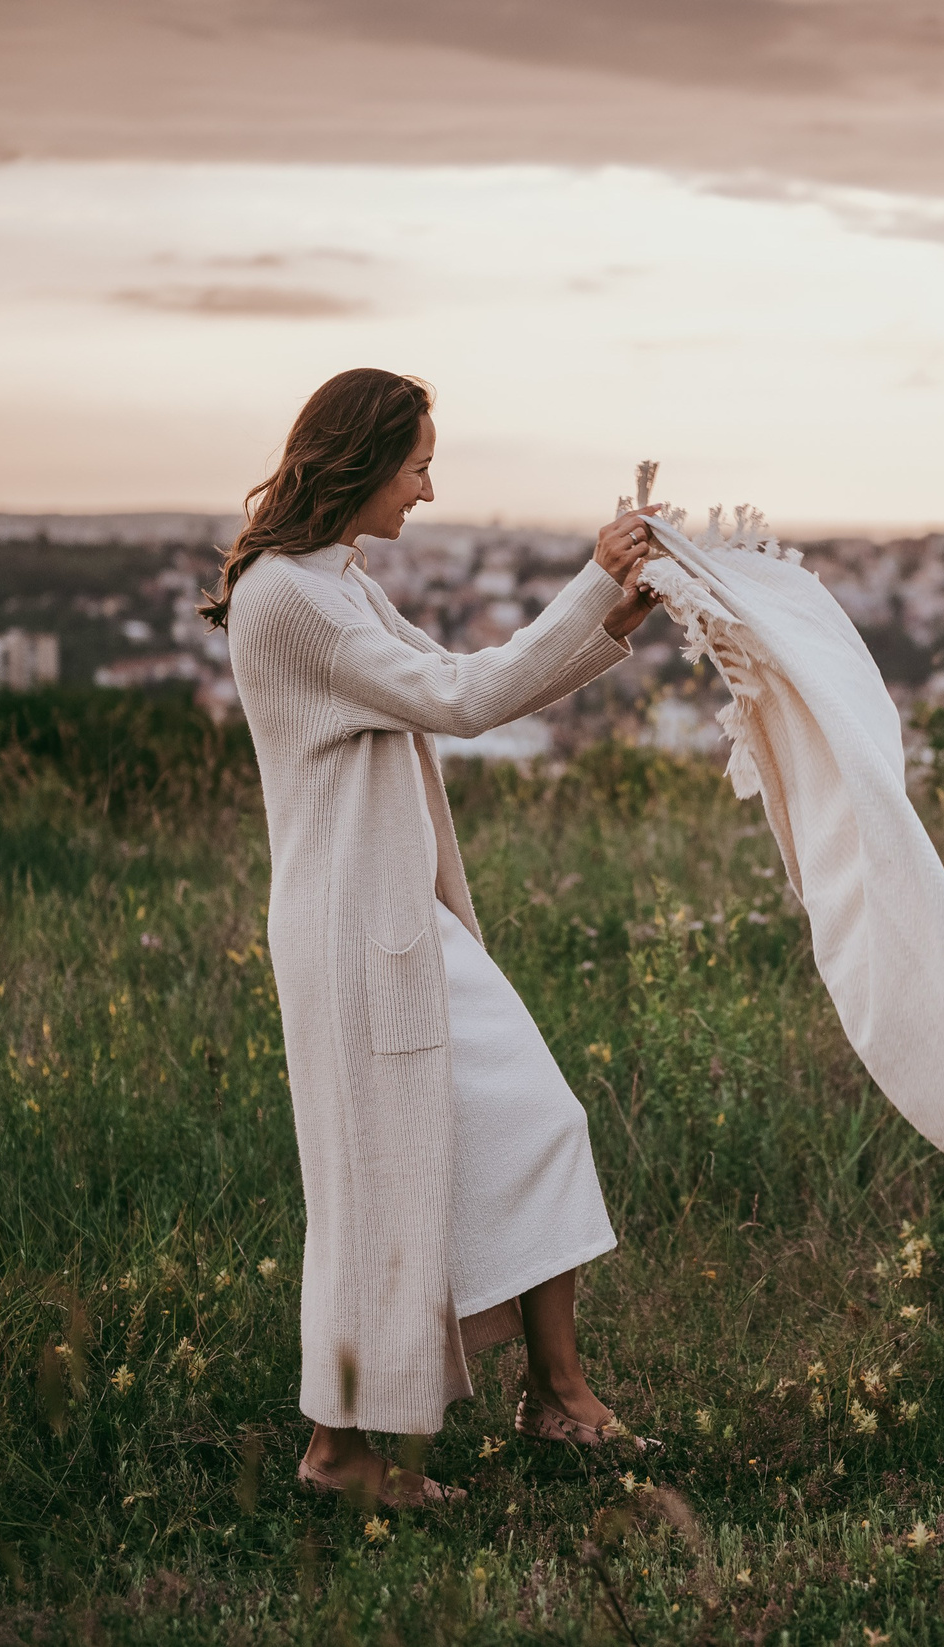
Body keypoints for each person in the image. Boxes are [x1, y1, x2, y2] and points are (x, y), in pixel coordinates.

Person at [200, 368, 659, 1508]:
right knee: (374, 1181)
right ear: (359, 463)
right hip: (357, 933)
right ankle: (339, 1452)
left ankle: (555, 1391)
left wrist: (608, 620)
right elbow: (459, 701)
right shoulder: (289, 598)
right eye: (416, 464)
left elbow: (462, 681)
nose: (431, 486)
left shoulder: (333, 579)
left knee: (540, 1119)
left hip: (407, 921)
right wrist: (592, 581)